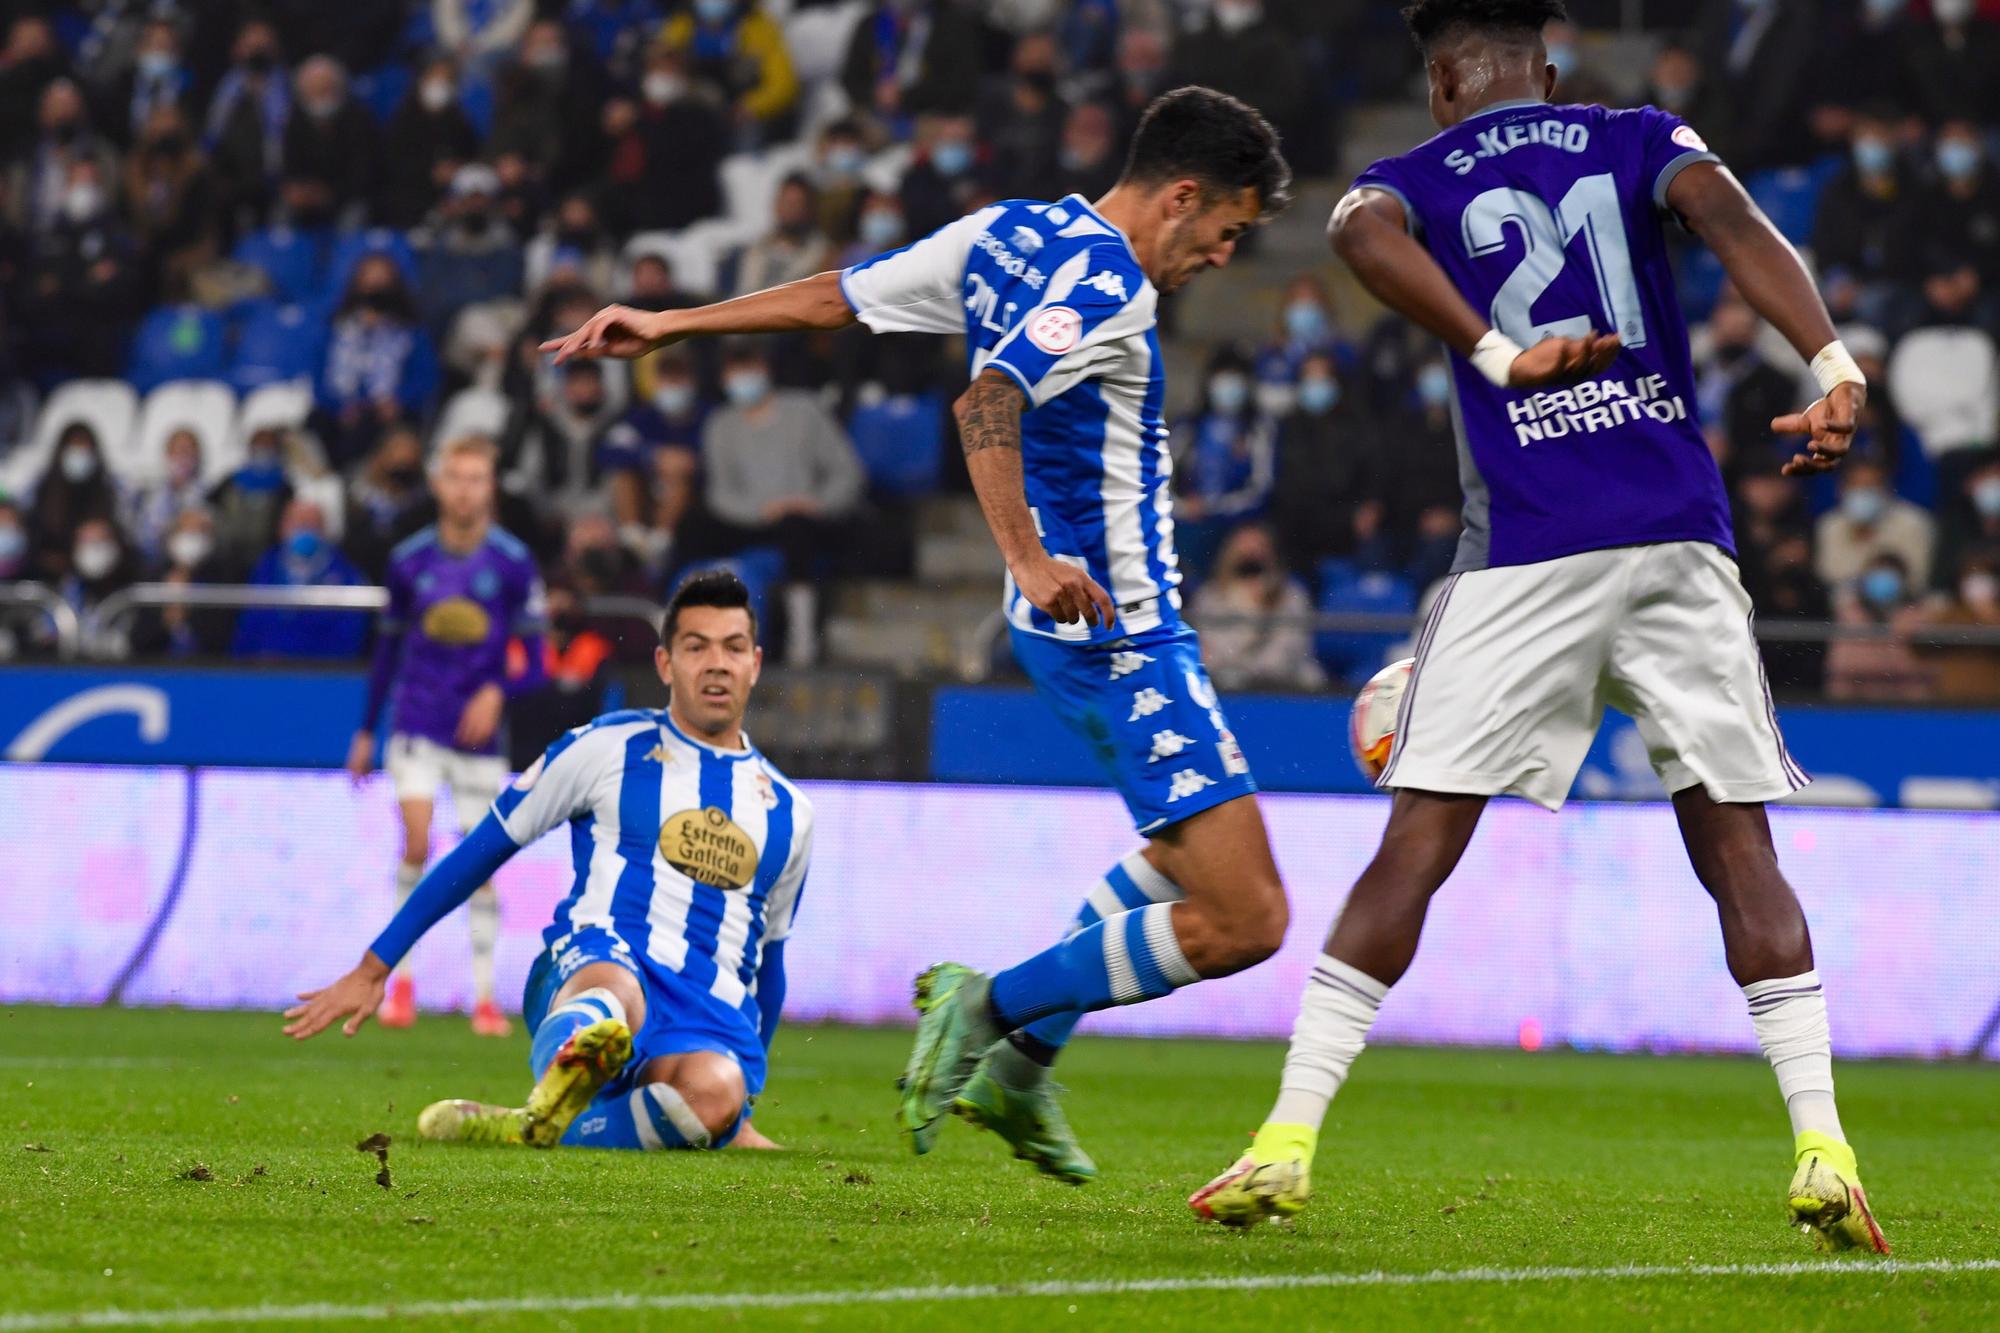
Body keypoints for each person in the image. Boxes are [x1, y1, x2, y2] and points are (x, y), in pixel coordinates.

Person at [1188, 0, 1890, 1257]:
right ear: (1548, 71)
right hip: (1678, 537)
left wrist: (1495, 349)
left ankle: (1282, 1144)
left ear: (1446, 81)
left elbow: (1355, 231)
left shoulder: (1409, 177)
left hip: (1525, 549)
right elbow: (1730, 219)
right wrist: (1830, 363)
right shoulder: (1634, 136)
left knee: (1414, 850)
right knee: (1738, 851)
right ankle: (1823, 1147)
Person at [542, 84, 1295, 1185]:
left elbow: (834, 298)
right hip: (1113, 635)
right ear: (1180, 196)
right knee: (1246, 919)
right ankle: (990, 1008)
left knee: (1178, 865)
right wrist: (1032, 559)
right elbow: (985, 402)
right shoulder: (1105, 282)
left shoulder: (1005, 231)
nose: (1224, 256)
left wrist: (673, 322)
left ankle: (1021, 1069)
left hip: (1091, 633)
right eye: (1227, 230)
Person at [287, 570, 804, 1155]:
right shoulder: (605, 747)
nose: (717, 663)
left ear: (755, 664)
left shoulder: (789, 811)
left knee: (714, 1095)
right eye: (696, 647)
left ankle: (533, 1123)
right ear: (665, 664)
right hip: (600, 961)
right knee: (612, 1002)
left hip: (700, 1016)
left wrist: (743, 1107)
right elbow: (481, 852)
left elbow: (770, 963)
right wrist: (375, 967)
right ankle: (577, 1061)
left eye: (733, 648)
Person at [347, 436, 547, 1038]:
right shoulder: (409, 561)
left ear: (491, 488)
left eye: (477, 478)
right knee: (415, 841)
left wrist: (497, 692)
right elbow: (386, 651)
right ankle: (398, 983)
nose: (465, 490)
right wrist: (364, 729)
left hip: (480, 739)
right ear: (438, 485)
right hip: (417, 724)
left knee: (481, 866)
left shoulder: (512, 563)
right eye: (455, 477)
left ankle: (484, 997)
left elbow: (539, 662)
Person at [1189, 522, 1324, 691]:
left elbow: (1288, 649)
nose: (1251, 559)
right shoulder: (1209, 596)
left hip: (1284, 684)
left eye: (1259, 550)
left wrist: (1265, 607)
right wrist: (1245, 607)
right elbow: (1210, 652)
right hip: (1226, 683)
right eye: (1244, 553)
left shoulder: (1291, 595)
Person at [231, 498, 370, 659]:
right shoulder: (265, 567)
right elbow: (249, 625)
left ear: (323, 530)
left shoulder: (346, 573)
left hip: (324, 671)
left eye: (311, 523)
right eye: (297, 522)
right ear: (282, 527)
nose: (303, 529)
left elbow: (351, 630)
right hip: (267, 667)